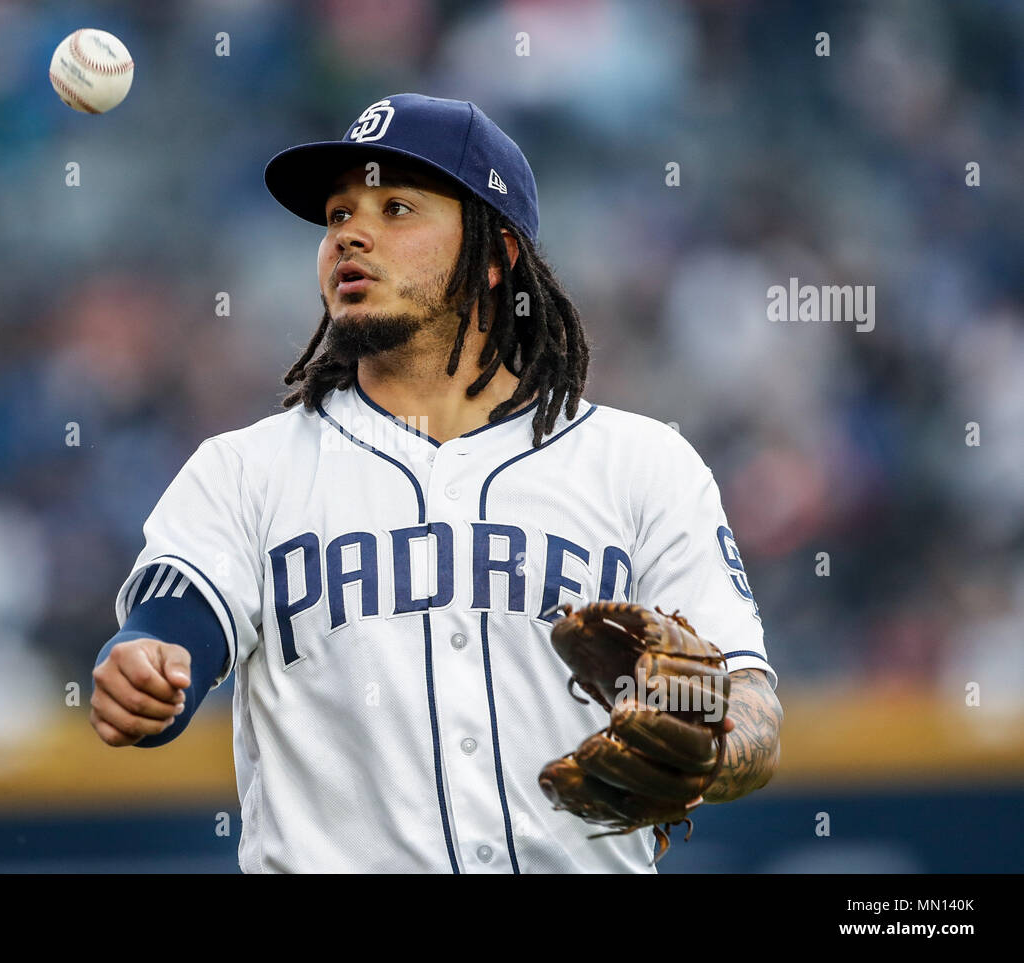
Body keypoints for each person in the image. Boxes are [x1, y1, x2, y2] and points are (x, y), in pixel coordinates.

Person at [90, 93, 782, 873]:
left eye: (396, 207)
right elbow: (168, 626)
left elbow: (751, 708)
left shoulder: (641, 463)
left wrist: (710, 744)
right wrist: (143, 662)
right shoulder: (247, 471)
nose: (350, 232)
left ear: (496, 255)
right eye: (337, 214)